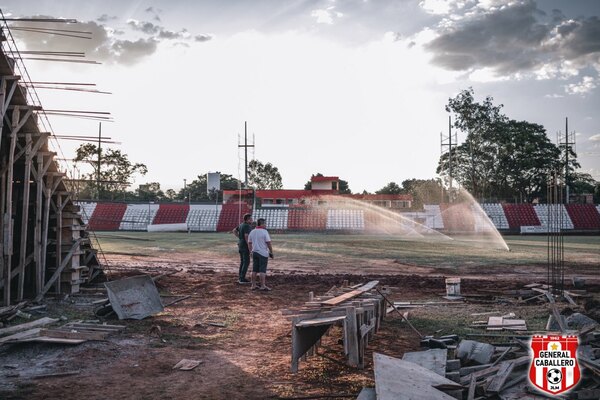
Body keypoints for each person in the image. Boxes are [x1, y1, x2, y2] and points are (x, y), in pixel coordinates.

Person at [248, 218, 273, 291]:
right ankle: (262, 285)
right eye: (265, 223)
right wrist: (271, 252)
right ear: (262, 224)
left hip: (254, 252)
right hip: (262, 253)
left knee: (254, 269)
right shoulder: (264, 232)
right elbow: (268, 243)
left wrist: (251, 252)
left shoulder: (252, 232)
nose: (266, 225)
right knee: (262, 270)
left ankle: (253, 285)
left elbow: (249, 243)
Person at [234, 213, 253, 284]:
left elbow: (234, 230)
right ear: (248, 219)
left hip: (240, 244)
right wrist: (250, 247)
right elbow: (246, 236)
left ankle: (240, 277)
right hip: (245, 246)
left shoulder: (241, 224)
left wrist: (239, 237)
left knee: (242, 261)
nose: (252, 220)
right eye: (251, 219)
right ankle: (242, 279)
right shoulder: (247, 226)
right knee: (246, 262)